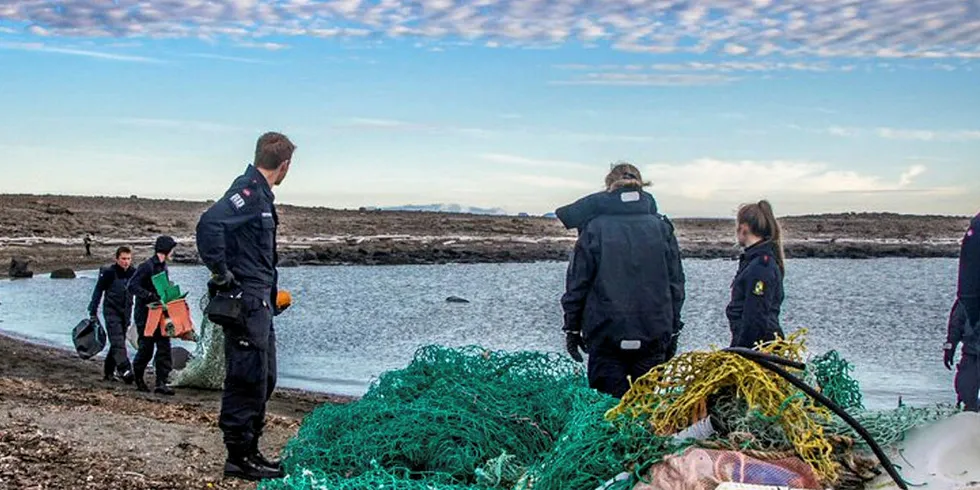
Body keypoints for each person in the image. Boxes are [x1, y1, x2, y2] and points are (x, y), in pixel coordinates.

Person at [195, 132, 295, 481]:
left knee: (264, 377)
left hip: (261, 303)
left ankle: (251, 450)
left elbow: (259, 253)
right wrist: (222, 275)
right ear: (284, 165)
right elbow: (209, 224)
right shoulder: (248, 191)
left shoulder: (263, 196)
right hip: (246, 303)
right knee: (246, 378)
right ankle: (239, 456)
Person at [557, 163, 685, 399]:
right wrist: (674, 330)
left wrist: (572, 329)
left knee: (608, 414)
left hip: (605, 336)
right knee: (647, 411)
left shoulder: (594, 228)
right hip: (654, 333)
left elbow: (577, 284)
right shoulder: (662, 228)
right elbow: (676, 285)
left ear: (608, 187)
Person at [726, 200, 786, 349]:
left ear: (744, 228)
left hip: (760, 348)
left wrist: (741, 352)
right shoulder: (752, 261)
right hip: (751, 344)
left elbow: (755, 317)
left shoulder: (761, 267)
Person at [128, 235, 178, 395]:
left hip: (162, 313)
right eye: (172, 249)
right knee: (146, 348)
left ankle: (161, 382)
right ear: (167, 249)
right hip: (145, 314)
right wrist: (149, 295)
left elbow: (162, 288)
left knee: (164, 347)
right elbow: (132, 286)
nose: (173, 252)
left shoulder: (164, 267)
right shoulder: (146, 266)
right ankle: (139, 378)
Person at [945, 212, 980, 411]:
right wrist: (950, 344)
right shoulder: (968, 295)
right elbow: (961, 310)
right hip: (972, 351)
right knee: (967, 392)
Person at [88, 246, 136, 383]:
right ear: (117, 259)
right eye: (123, 259)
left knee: (117, 343)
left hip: (126, 312)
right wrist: (93, 310)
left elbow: (141, 289)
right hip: (111, 312)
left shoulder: (134, 272)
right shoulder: (109, 273)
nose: (126, 262)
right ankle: (125, 370)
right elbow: (98, 291)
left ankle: (108, 373)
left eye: (128, 259)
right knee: (118, 342)